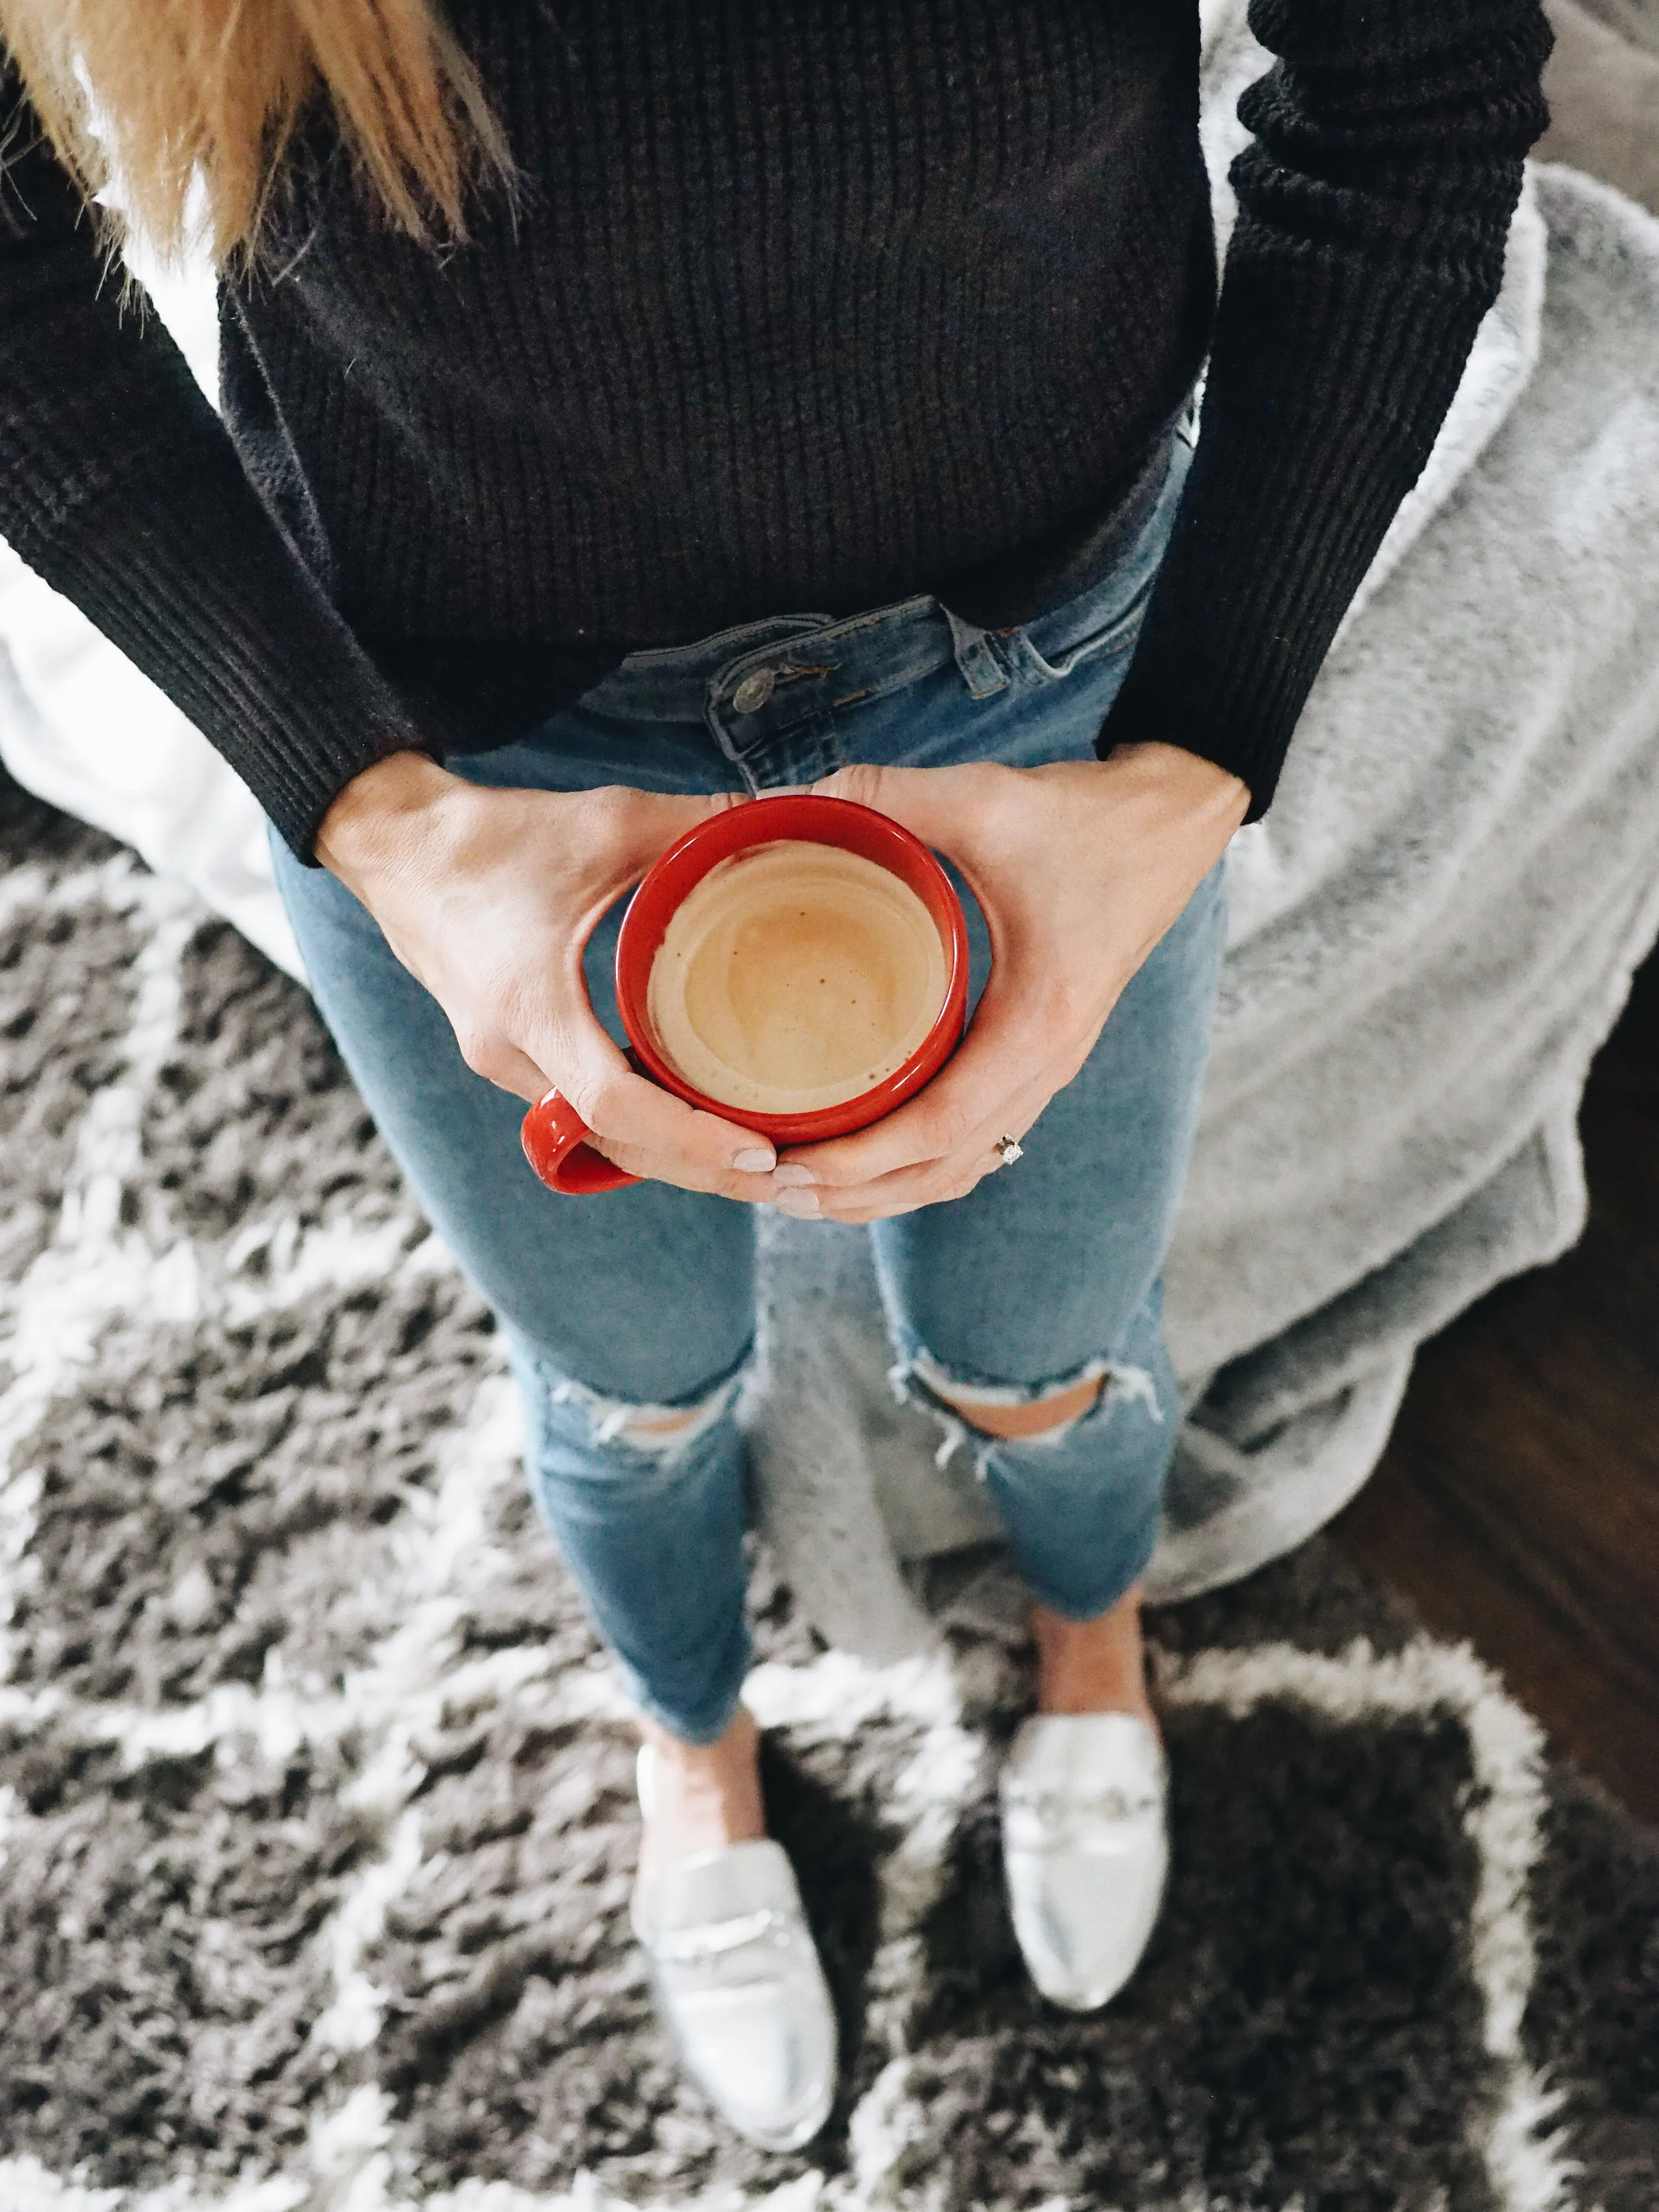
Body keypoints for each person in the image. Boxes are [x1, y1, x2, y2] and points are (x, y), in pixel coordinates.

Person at [0, 0, 1551, 2152]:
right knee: (627, 1383)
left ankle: (1086, 1636)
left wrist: (1194, 758)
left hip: (1043, 668)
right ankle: (690, 1734)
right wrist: (375, 816)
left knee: (1044, 1346)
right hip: (454, 749)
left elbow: (1413, 94)